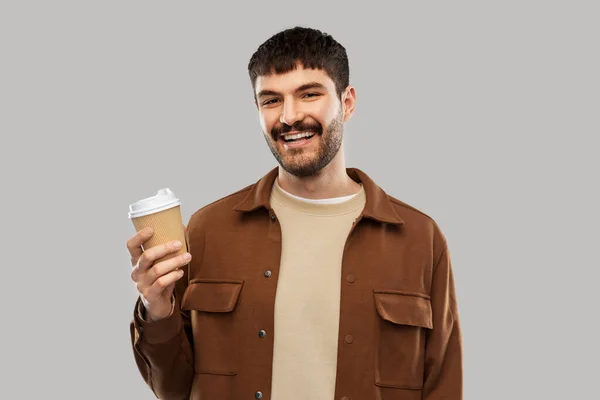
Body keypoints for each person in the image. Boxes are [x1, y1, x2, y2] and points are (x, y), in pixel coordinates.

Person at [127, 26, 462, 400]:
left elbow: (443, 385)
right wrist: (157, 309)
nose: (289, 116)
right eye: (271, 100)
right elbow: (172, 389)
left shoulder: (420, 238)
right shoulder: (207, 230)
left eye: (309, 94)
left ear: (347, 102)